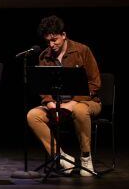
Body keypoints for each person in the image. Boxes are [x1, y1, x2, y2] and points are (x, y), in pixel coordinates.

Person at [26, 15, 102, 176]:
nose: (51, 45)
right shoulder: (44, 56)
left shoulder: (82, 51)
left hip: (87, 101)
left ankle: (86, 156)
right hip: (59, 103)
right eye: (48, 41)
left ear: (64, 35)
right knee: (33, 115)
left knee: (79, 111)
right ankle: (62, 158)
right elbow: (43, 87)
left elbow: (95, 83)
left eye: (54, 40)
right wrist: (49, 102)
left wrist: (74, 102)